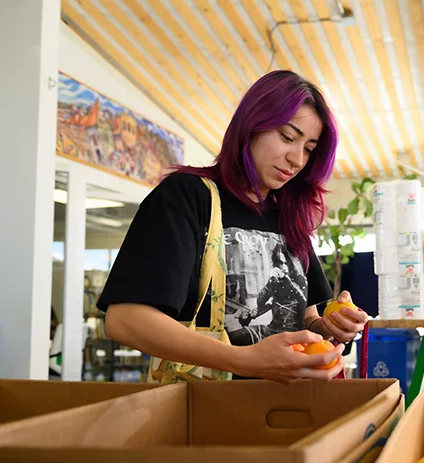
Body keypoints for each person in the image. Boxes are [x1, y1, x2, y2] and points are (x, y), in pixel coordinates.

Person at [97, 70, 368, 384]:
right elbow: (125, 320)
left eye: (309, 149)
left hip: (289, 412)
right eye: (287, 137)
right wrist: (244, 359)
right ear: (251, 125)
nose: (296, 159)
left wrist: (331, 325)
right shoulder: (187, 197)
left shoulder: (289, 216)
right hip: (208, 415)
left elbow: (303, 319)